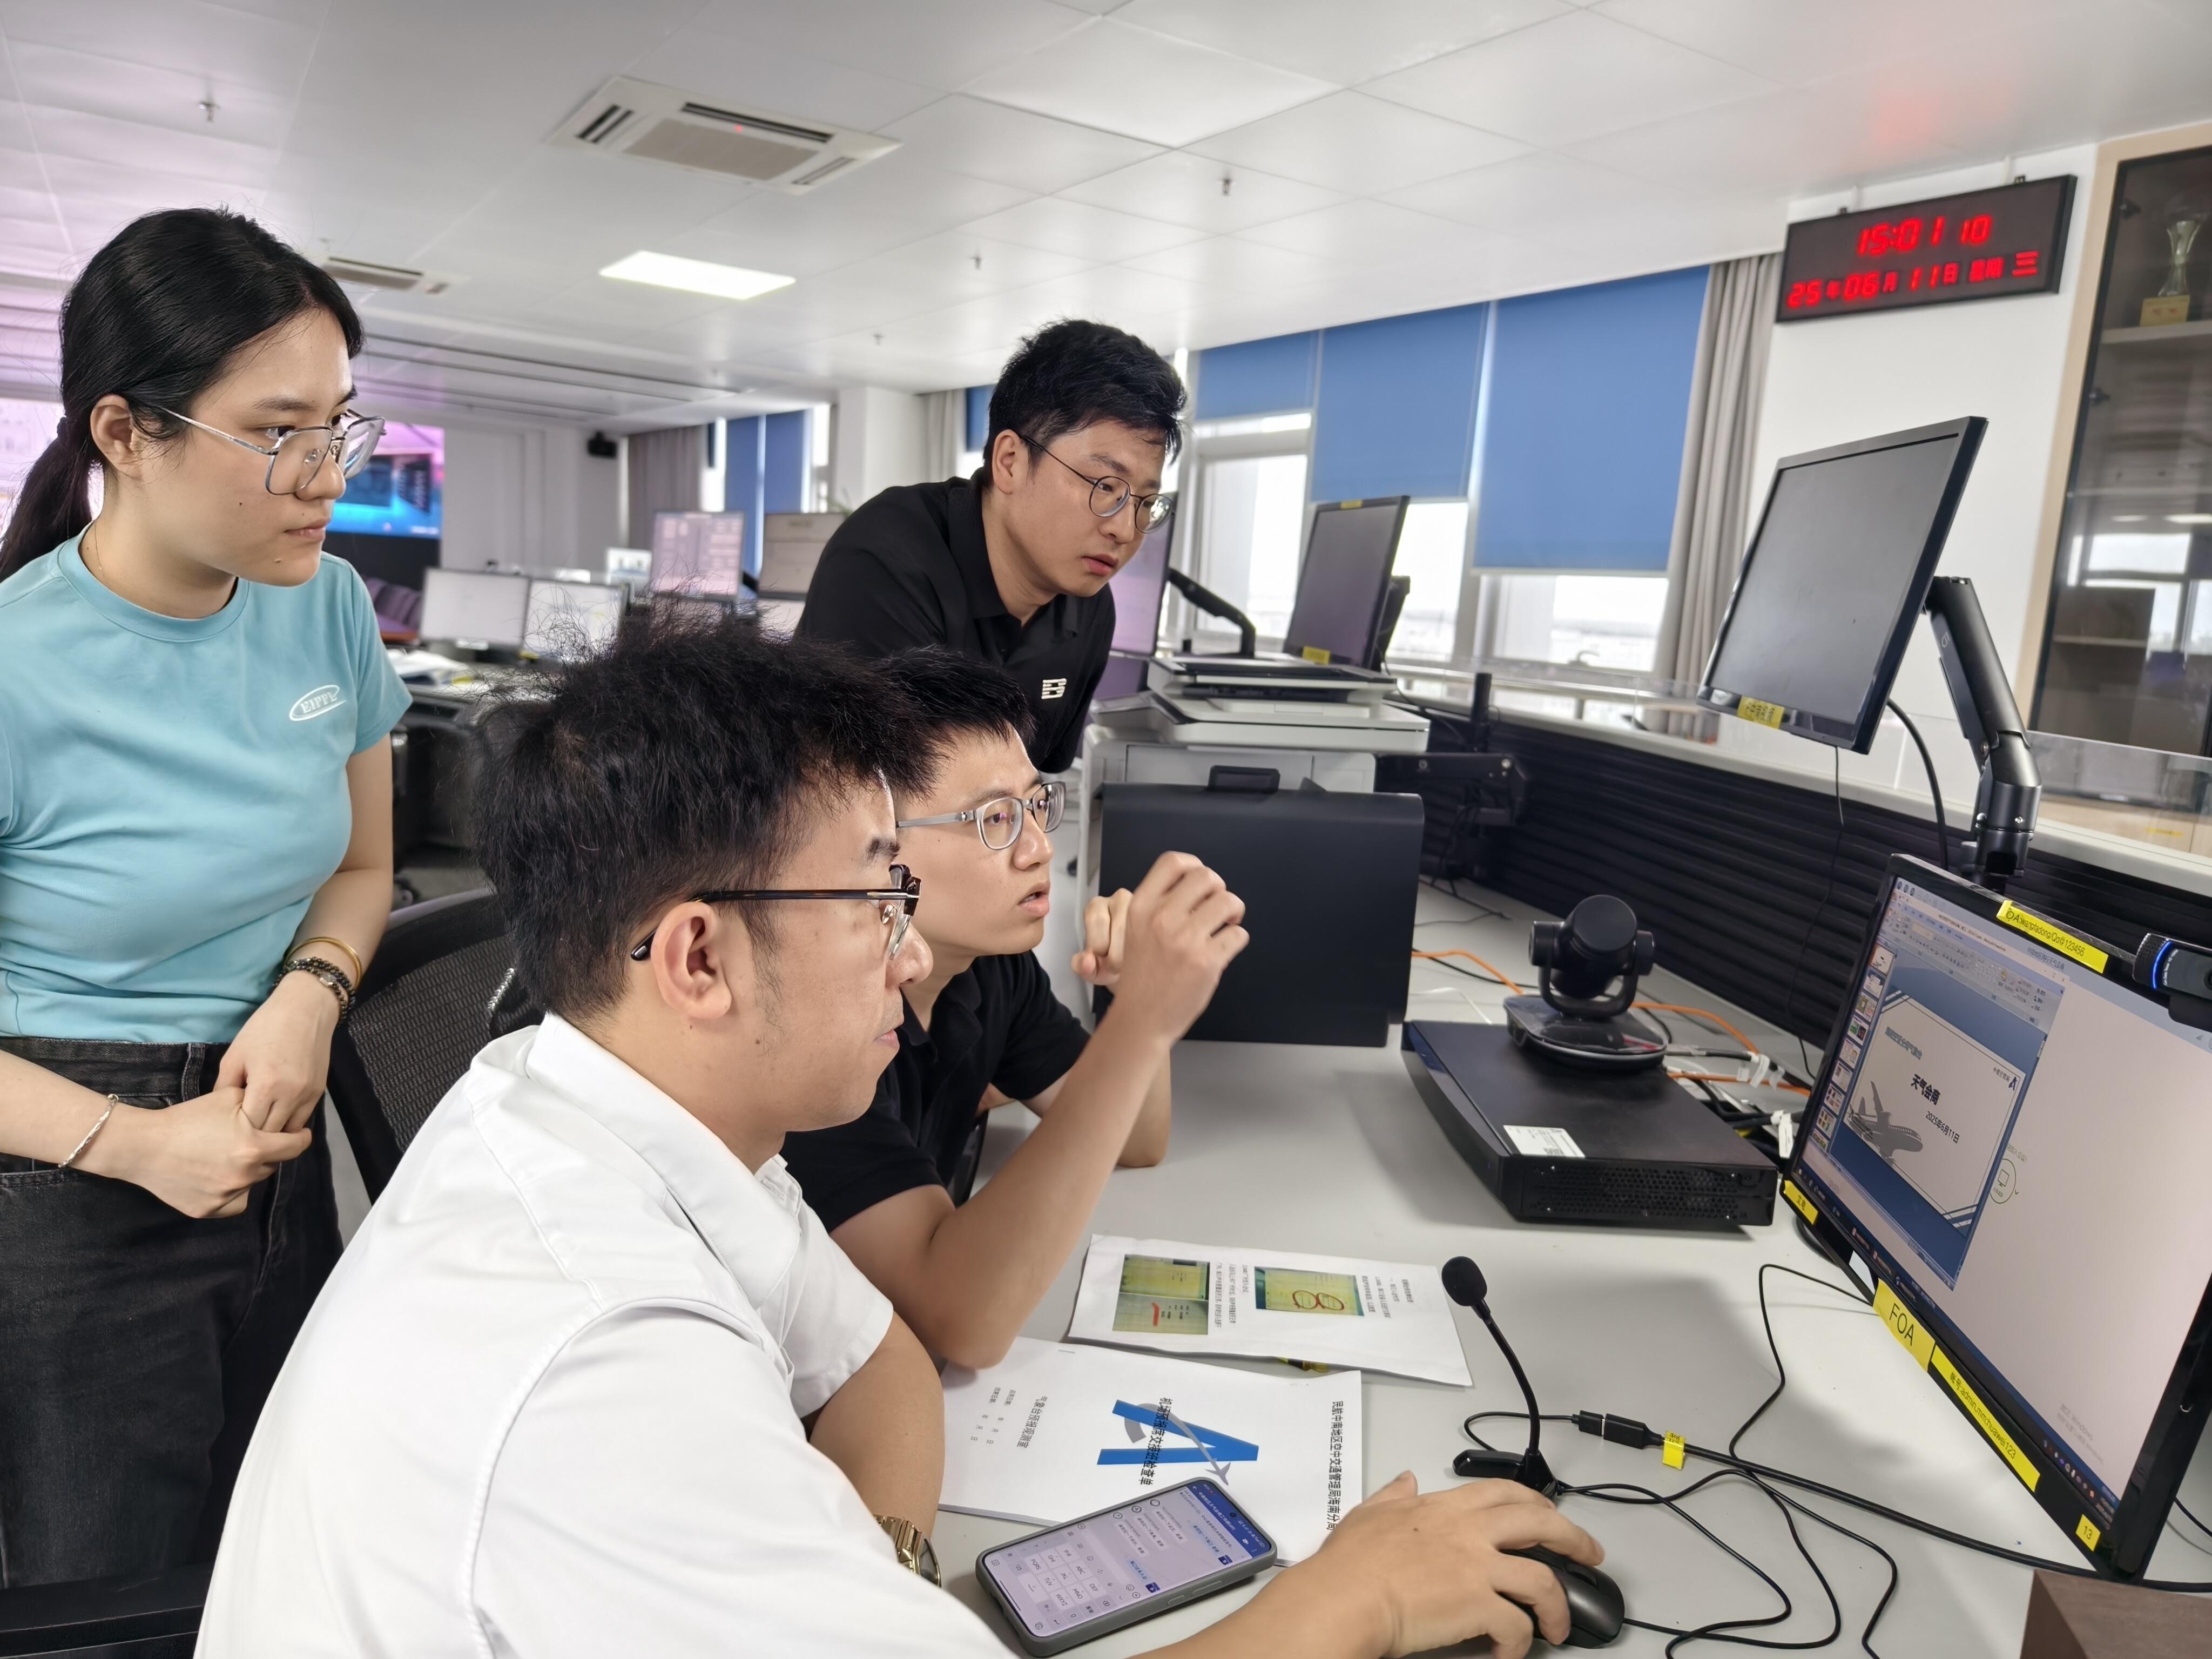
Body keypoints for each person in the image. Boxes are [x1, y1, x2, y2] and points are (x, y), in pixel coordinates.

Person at [199, 610, 1606, 1659]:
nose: (903, 949)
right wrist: (1349, 1601)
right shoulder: (599, 1369)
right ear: (697, 958)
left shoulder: (606, 1109)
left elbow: (881, 1363)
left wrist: (869, 1584)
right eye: (875, 896)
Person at [0, 207, 406, 1586]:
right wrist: (132, 1143)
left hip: (277, 1130)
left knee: (283, 1556)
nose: (324, 477)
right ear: (124, 431)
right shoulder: (15, 666)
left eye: (342, 426)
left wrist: (311, 990)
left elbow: (359, 867)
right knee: (113, 1588)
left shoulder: (329, 604)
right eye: (279, 430)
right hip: (67, 1162)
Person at [782, 648, 1209, 1368]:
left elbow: (1138, 1138)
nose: (1039, 848)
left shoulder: (989, 969)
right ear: (876, 847)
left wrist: (1137, 999)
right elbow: (963, 1325)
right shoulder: (811, 1034)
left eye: (1036, 807)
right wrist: (1141, 1026)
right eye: (994, 821)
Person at [797, 318, 1182, 773]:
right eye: (1104, 485)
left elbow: (1033, 786)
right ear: (1010, 462)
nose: (1124, 530)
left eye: (1147, 501)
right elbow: (869, 807)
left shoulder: (1091, 607)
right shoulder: (883, 564)